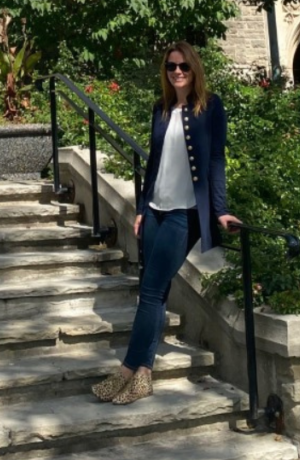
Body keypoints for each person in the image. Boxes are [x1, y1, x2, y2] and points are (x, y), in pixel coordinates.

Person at [91, 41, 240, 405]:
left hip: (185, 214)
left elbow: (216, 161)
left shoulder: (211, 107)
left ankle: (128, 370)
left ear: (195, 70)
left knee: (152, 291)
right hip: (156, 210)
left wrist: (219, 209)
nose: (177, 72)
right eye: (172, 66)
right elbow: (154, 162)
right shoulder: (161, 109)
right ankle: (143, 375)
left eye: (184, 67)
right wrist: (142, 207)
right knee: (153, 292)